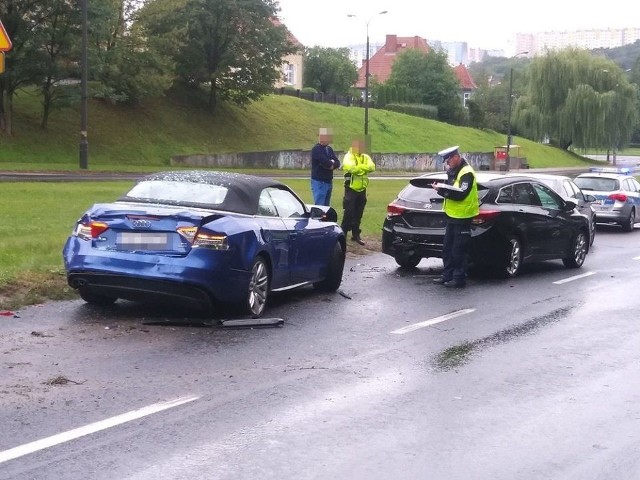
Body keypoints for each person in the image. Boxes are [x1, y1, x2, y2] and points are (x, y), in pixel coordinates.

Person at [432, 146, 479, 288]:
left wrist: (441, 192)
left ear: (456, 157)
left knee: (459, 250)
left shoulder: (467, 173)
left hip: (463, 216)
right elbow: (451, 188)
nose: (447, 164)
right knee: (447, 248)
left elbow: (461, 194)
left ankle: (459, 278)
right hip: (452, 215)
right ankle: (447, 275)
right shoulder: (453, 171)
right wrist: (441, 189)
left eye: (449, 160)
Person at [341, 137, 376, 246]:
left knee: (359, 212)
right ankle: (343, 233)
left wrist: (360, 168)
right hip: (351, 188)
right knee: (348, 211)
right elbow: (351, 168)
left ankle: (356, 234)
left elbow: (372, 167)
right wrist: (363, 169)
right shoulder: (348, 156)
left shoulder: (365, 157)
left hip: (362, 188)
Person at [310, 128, 340, 206]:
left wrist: (332, 164)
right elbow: (326, 163)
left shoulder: (329, 149)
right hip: (319, 182)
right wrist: (331, 163)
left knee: (326, 207)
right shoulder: (316, 149)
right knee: (320, 206)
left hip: (328, 181)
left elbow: (337, 163)